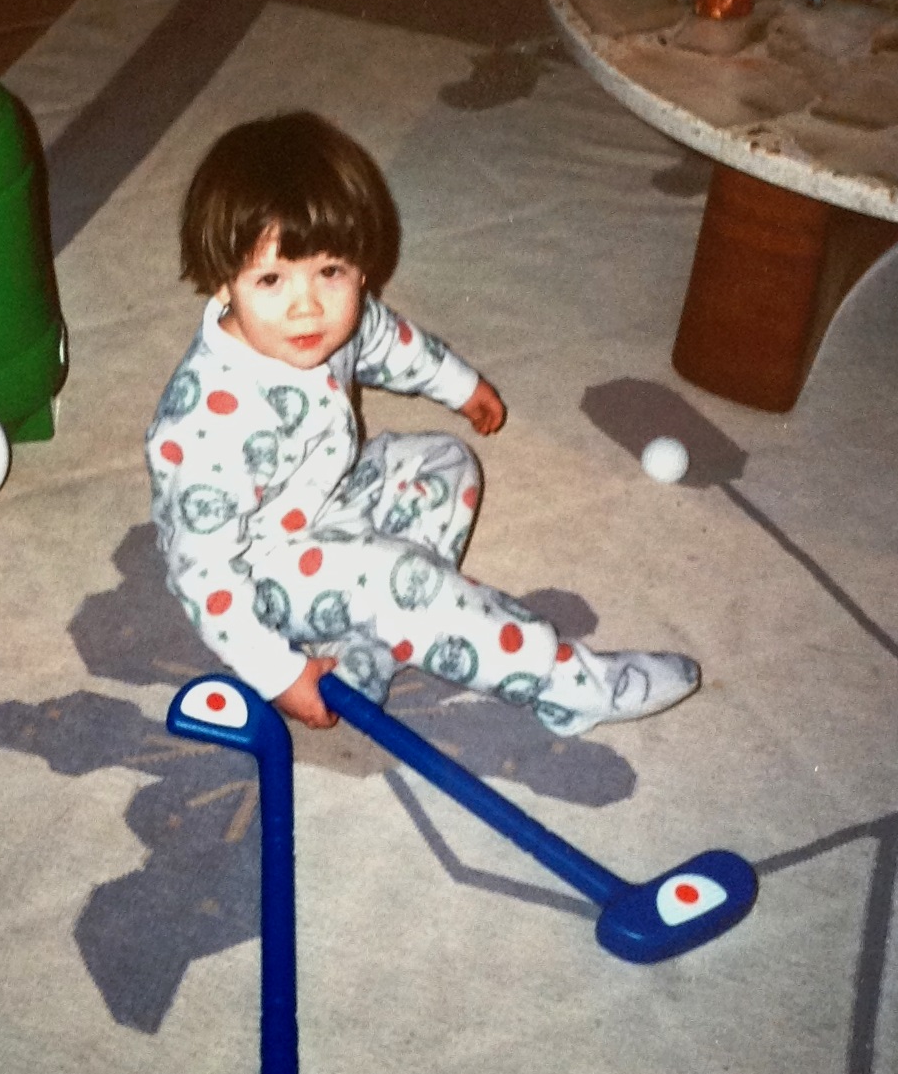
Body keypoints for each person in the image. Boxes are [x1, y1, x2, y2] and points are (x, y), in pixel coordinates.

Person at [145, 111, 699, 733]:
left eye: (331, 272)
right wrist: (277, 673)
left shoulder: (331, 320)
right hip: (264, 570)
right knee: (395, 579)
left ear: (359, 267)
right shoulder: (207, 424)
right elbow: (205, 572)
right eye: (271, 279)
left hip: (328, 500)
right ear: (223, 283)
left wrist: (461, 386)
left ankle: (370, 646)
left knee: (445, 462)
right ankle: (565, 684)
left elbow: (385, 339)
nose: (308, 307)